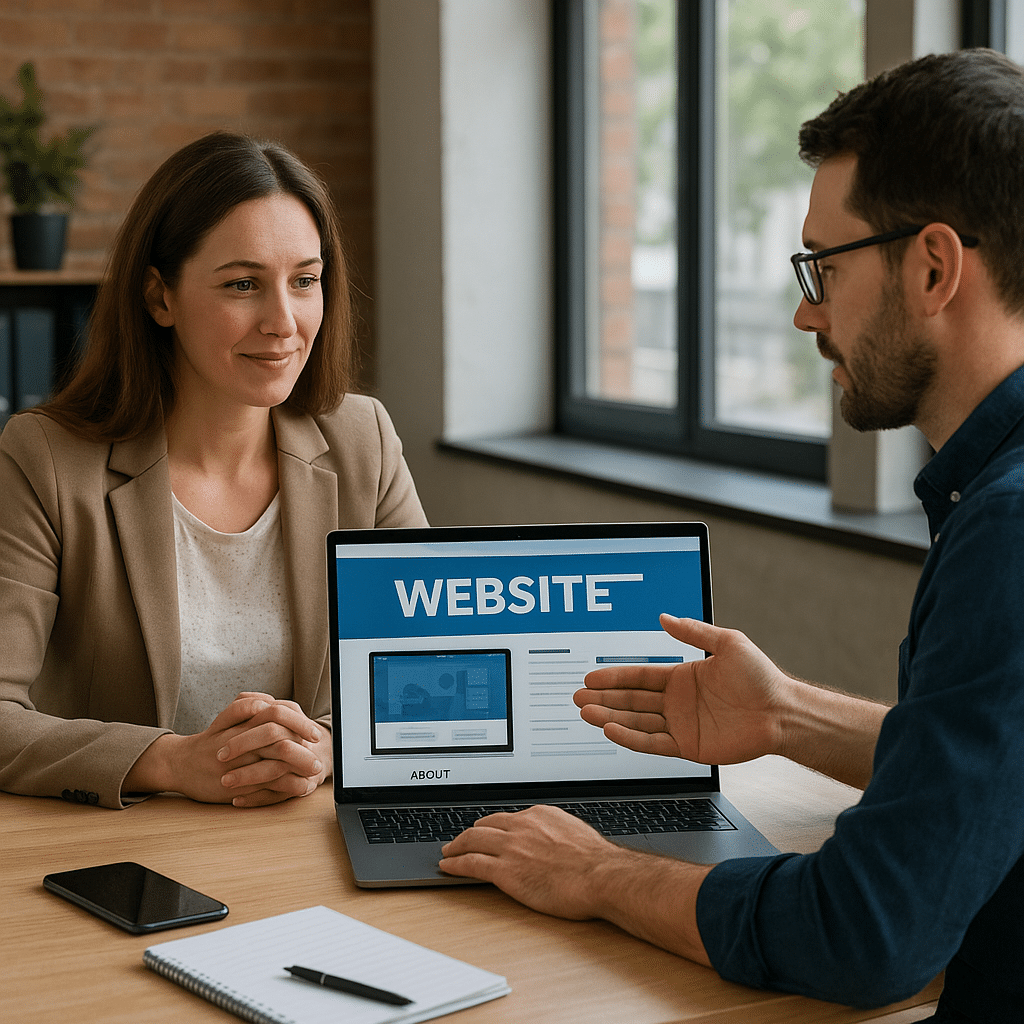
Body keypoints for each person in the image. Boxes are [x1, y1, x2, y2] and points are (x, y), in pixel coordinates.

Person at [439, 48, 1024, 1021]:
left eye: (822, 269)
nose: (805, 312)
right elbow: (980, 771)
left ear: (932, 267)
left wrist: (597, 872)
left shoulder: (1006, 532)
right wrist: (788, 714)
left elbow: (862, 933)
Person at [0, 131, 428, 810]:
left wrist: (327, 745)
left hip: (302, 837)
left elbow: (431, 676)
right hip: (122, 852)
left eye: (305, 281)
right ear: (159, 297)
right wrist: (171, 760)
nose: (284, 322)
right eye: (243, 284)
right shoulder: (44, 458)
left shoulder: (361, 439)